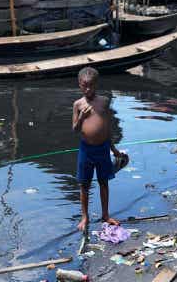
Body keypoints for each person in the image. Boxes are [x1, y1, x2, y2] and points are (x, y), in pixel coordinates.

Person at [72, 67, 123, 231]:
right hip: (86, 150)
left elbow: (107, 128)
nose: (88, 89)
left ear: (96, 85)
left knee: (103, 182)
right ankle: (85, 217)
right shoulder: (78, 105)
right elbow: (75, 129)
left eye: (91, 86)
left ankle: (105, 215)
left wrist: (113, 149)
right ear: (79, 85)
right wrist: (81, 118)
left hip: (102, 148)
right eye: (84, 86)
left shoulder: (104, 101)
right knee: (84, 185)